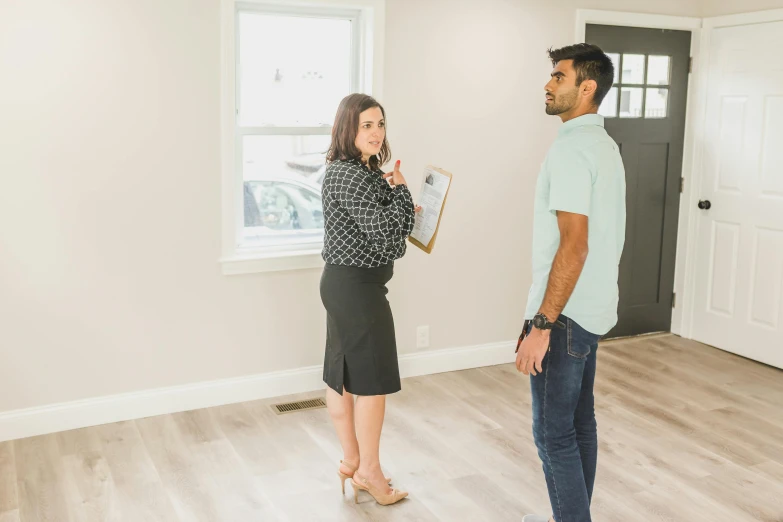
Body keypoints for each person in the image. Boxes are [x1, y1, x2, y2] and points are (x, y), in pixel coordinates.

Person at [517, 44, 626, 522]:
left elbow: (573, 245)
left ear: (587, 87)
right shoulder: (604, 145)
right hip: (593, 309)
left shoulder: (570, 149)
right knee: (580, 424)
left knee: (552, 434)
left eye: (558, 77)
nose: (547, 84)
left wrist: (541, 324)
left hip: (563, 316)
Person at [320, 93, 418, 506]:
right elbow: (391, 237)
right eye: (366, 125)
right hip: (357, 290)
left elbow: (390, 231)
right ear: (348, 129)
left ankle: (352, 461)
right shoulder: (348, 175)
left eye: (380, 124)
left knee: (341, 375)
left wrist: (398, 208)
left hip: (348, 287)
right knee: (371, 384)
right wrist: (403, 195)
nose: (376, 133)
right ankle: (371, 473)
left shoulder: (362, 171)